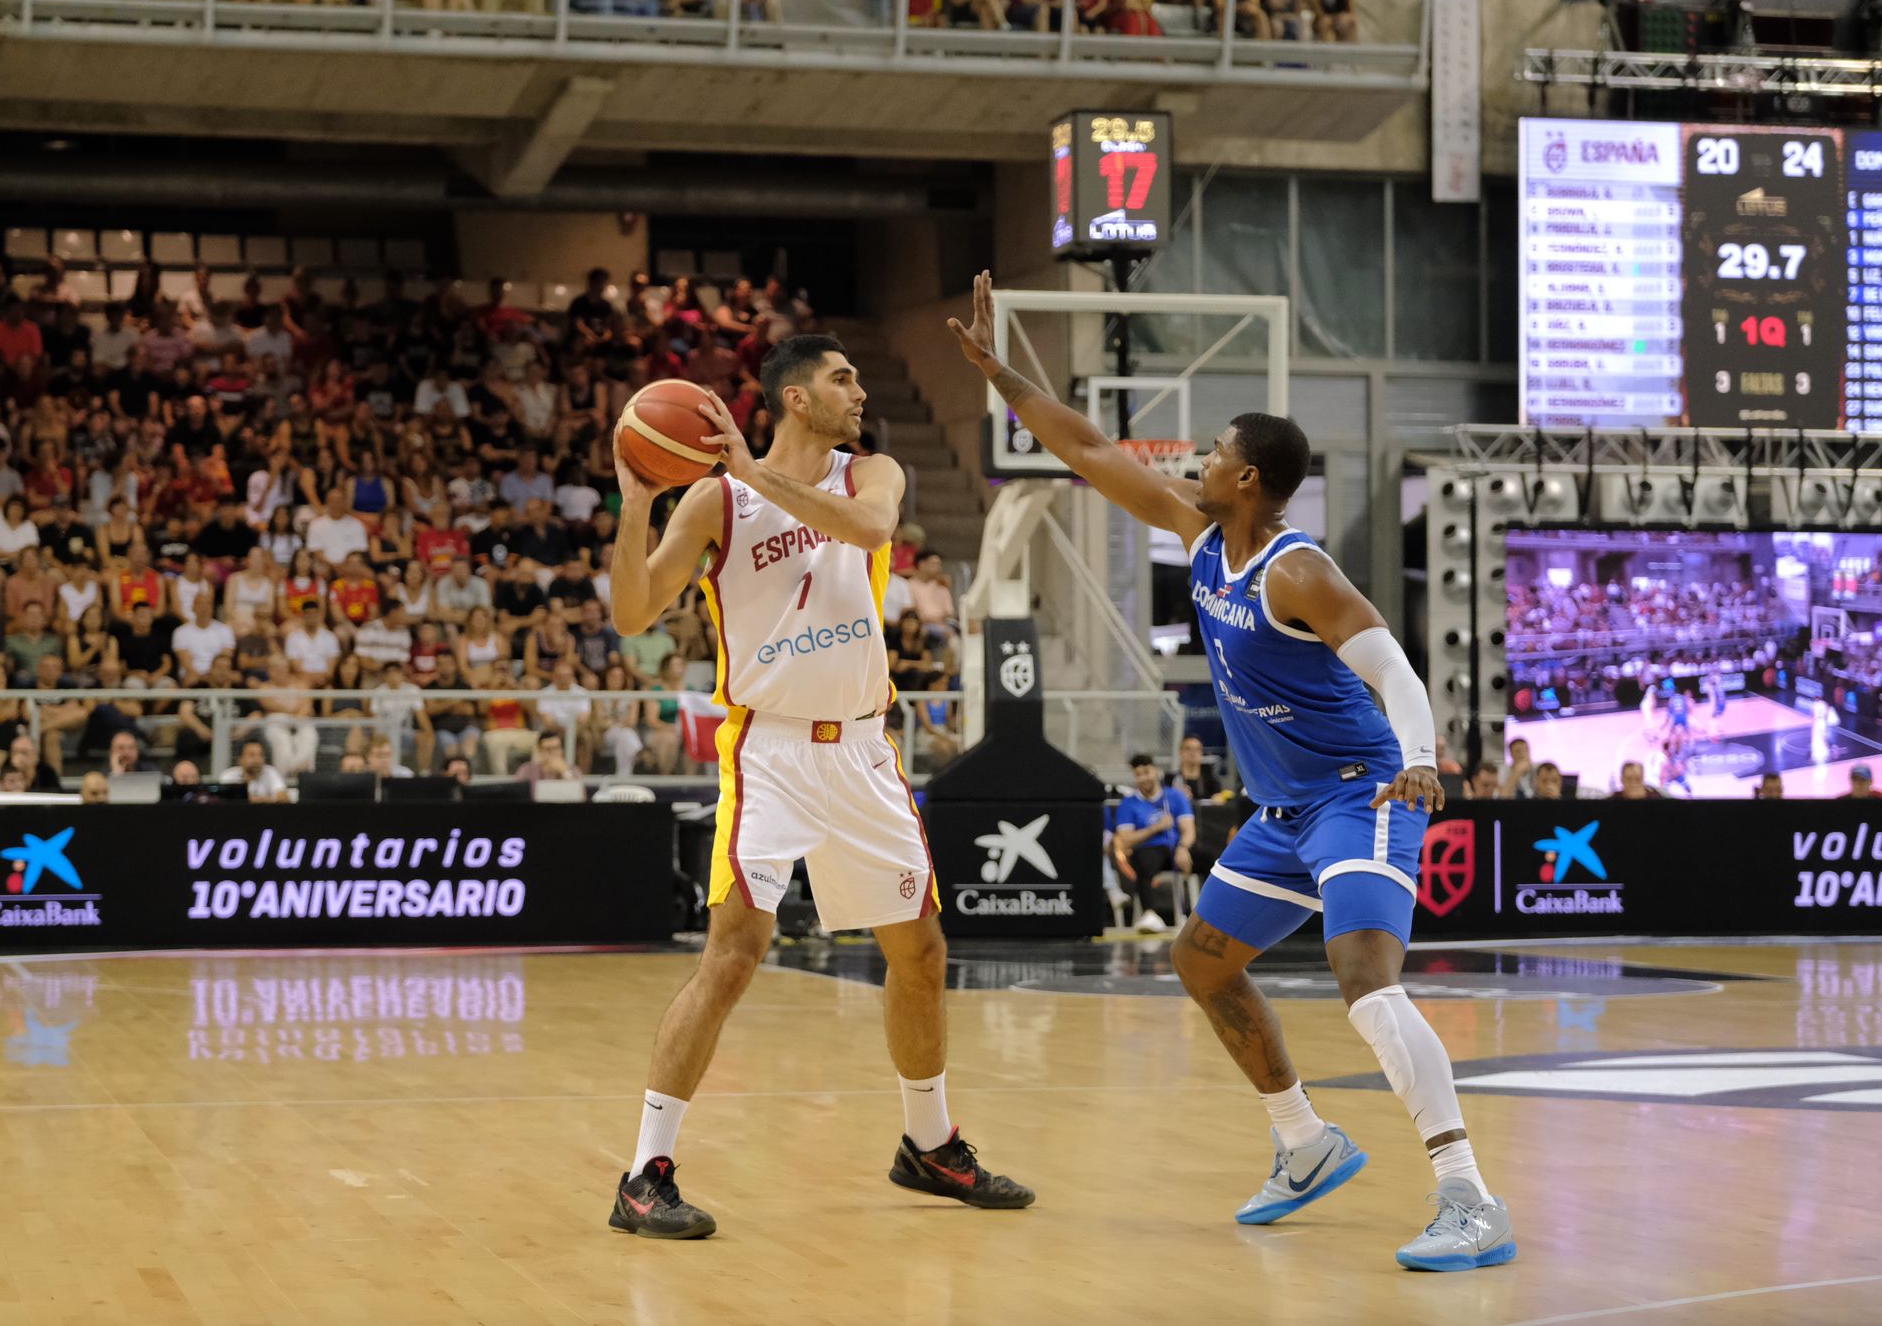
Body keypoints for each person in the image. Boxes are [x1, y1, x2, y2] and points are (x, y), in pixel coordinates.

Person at [948, 271, 1510, 1270]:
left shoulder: (1297, 572)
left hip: (1360, 793)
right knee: (1202, 960)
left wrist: (1420, 759)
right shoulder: (1195, 533)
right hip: (1282, 809)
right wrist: (1000, 373)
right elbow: (1082, 447)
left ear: (1248, 476)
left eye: (1214, 451)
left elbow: (1392, 667)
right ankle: (1303, 1142)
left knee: (1366, 985)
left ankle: (1466, 1194)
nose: (1197, 459)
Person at [603, 332, 1031, 1240]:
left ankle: (928, 1142)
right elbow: (634, 610)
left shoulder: (870, 474)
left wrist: (757, 472)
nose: (860, 391)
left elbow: (872, 531)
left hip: (864, 750)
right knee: (735, 952)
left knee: (920, 951)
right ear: (797, 397)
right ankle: (643, 1173)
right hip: (770, 751)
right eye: (844, 379)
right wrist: (638, 503)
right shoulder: (716, 503)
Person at [1113, 752, 1196, 932]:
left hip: (1176, 848)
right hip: (1149, 849)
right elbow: (1126, 840)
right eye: (1138, 774)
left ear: (1156, 772)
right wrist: (1155, 828)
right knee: (1143, 863)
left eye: (1147, 772)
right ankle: (1149, 914)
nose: (1143, 778)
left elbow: (1188, 830)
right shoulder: (1128, 803)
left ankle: (1211, 915)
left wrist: (1183, 848)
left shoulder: (1175, 797)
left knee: (1213, 860)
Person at [221, 737, 290, 803]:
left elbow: (284, 798)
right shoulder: (229, 775)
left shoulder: (271, 772)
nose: (257, 760)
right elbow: (222, 801)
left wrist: (265, 799)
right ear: (240, 759)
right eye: (251, 755)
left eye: (261, 755)